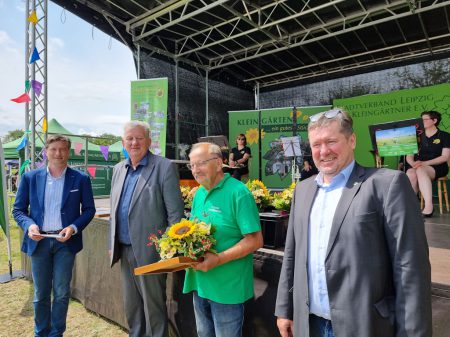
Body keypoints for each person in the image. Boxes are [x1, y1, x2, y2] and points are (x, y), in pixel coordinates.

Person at [275, 109, 431, 337]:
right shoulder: (303, 190)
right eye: (316, 145)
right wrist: (284, 309)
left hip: (365, 325)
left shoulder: (387, 185)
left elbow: (410, 267)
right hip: (308, 325)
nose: (323, 151)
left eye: (331, 141)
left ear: (352, 140)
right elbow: (292, 256)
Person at [13, 134, 95, 337]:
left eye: (63, 149)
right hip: (38, 243)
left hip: (65, 244)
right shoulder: (30, 178)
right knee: (41, 294)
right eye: (54, 149)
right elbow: (19, 210)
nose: (58, 153)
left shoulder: (81, 178)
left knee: (61, 292)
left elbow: (89, 210)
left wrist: (73, 228)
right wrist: (30, 226)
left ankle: (57, 333)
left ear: (68, 152)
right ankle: (41, 333)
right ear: (46, 152)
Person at [109, 121, 184, 337]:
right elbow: (115, 211)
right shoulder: (117, 169)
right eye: (130, 138)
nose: (134, 143)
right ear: (123, 142)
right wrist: (110, 244)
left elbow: (175, 215)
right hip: (123, 250)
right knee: (132, 307)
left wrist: (167, 251)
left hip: (152, 252)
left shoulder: (164, 167)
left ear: (149, 141)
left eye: (139, 138)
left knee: (154, 309)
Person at [183, 142, 264, 337]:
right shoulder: (199, 193)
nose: (195, 170)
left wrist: (218, 259)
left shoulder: (239, 193)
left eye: (200, 163)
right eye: (191, 165)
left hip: (227, 288)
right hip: (200, 283)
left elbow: (255, 241)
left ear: (219, 163)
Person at [406, 111, 450, 217]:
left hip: (437, 166)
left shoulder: (445, 136)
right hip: (419, 166)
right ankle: (409, 206)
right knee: (410, 172)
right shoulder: (417, 136)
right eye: (421, 119)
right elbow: (409, 156)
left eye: (425, 119)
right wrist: (413, 164)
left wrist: (425, 163)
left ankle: (429, 207)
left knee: (420, 170)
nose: (422, 121)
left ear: (434, 121)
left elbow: (445, 157)